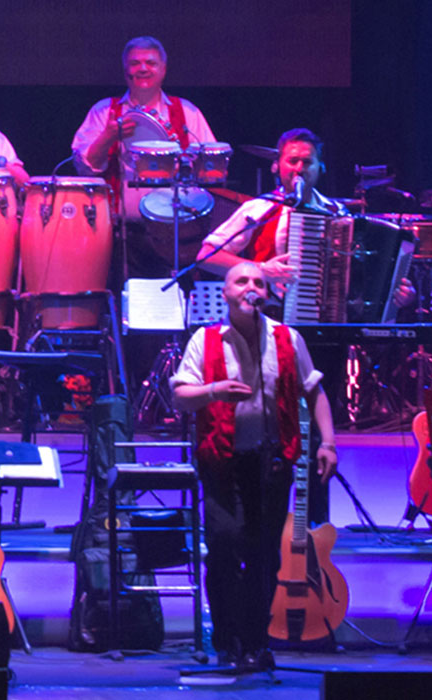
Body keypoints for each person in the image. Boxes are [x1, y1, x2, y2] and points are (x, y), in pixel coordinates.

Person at [169, 261, 338, 673]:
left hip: (270, 462)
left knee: (264, 556)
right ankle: (228, 639)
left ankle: (256, 643)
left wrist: (328, 443)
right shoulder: (205, 340)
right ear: (224, 293)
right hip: (222, 460)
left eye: (259, 283)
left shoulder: (286, 338)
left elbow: (314, 391)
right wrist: (213, 391)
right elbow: (180, 396)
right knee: (225, 547)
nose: (251, 288)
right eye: (241, 281)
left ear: (268, 294)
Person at [69, 36, 218, 278]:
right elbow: (86, 168)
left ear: (163, 70)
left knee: (173, 305)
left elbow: (210, 167)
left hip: (176, 233)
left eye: (150, 63)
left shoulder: (186, 112)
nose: (143, 69)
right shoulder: (104, 111)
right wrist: (108, 135)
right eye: (135, 63)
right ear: (125, 69)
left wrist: (185, 160)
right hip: (122, 233)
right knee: (124, 302)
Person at [197, 128, 349, 284]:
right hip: (265, 306)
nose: (299, 169)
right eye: (292, 161)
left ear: (320, 167)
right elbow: (207, 256)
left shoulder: (337, 213)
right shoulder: (259, 208)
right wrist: (260, 270)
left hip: (322, 308)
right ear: (277, 166)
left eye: (307, 162)